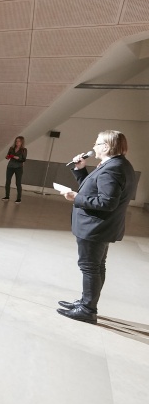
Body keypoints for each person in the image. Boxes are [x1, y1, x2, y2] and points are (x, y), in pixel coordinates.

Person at [57, 130, 137, 325]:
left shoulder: (112, 169)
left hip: (95, 227)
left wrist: (76, 197)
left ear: (106, 147)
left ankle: (87, 310)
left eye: (97, 143)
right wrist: (80, 170)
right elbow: (93, 189)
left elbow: (107, 202)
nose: (93, 147)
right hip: (103, 227)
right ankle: (87, 302)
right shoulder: (118, 164)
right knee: (97, 266)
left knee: (90, 267)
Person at [2, 136, 27, 203]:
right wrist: (7, 157)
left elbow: (24, 159)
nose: (17, 142)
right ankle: (7, 196)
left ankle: (19, 198)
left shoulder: (24, 150)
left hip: (19, 167)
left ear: (22, 142)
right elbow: (8, 156)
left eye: (19, 141)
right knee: (8, 181)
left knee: (18, 183)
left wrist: (18, 158)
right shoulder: (11, 148)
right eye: (16, 141)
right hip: (10, 166)